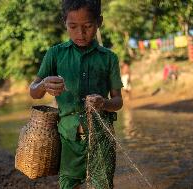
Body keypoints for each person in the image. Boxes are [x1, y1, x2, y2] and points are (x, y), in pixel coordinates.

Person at [29, 0, 123, 188]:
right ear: (64, 22)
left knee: (102, 185)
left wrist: (103, 103)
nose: (81, 33)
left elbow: (118, 101)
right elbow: (34, 91)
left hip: (101, 139)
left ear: (99, 22)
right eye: (73, 27)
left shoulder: (109, 58)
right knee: (68, 184)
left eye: (88, 26)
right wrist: (44, 85)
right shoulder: (55, 54)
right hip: (67, 140)